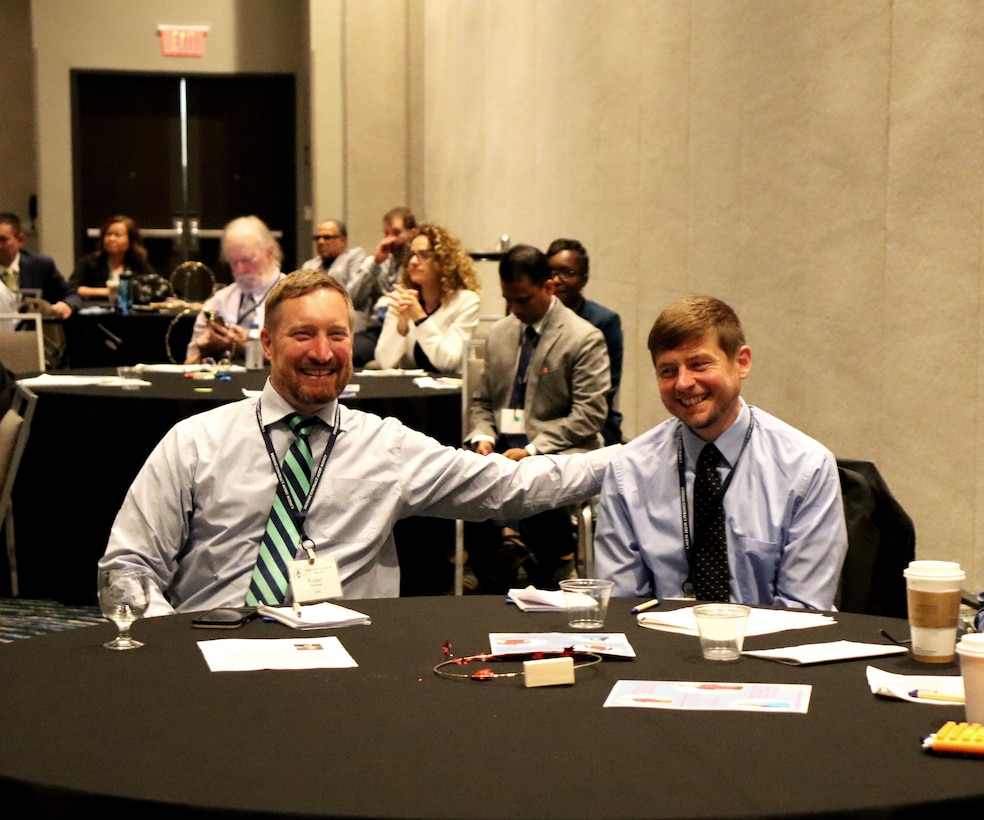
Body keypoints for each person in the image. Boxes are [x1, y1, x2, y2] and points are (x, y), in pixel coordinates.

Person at [98, 269, 615, 616]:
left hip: (342, 664)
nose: (323, 352)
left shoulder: (386, 447)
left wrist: (631, 458)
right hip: (212, 648)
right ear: (268, 343)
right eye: (303, 335)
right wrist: (169, 648)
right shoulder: (194, 442)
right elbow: (128, 565)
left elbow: (512, 485)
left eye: (337, 335)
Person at [594, 295, 848, 610]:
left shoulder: (807, 468)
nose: (684, 383)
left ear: (741, 362)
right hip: (660, 649)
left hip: (771, 652)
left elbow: (804, 610)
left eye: (699, 364)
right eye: (668, 371)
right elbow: (622, 606)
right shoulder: (628, 470)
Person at [465, 244, 610, 591]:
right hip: (500, 446)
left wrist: (532, 450)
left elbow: (589, 415)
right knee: (463, 469)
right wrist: (482, 436)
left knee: (530, 474)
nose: (514, 309)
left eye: (523, 299)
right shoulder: (500, 333)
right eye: (508, 300)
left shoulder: (584, 339)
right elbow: (483, 400)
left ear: (549, 287)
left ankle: (516, 550)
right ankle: (514, 548)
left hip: (555, 448)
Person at [373, 223, 481, 373]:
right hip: (411, 391)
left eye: (423, 255)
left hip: (452, 391)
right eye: (411, 255)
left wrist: (420, 318)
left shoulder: (465, 302)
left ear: (443, 261)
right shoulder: (403, 298)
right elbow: (384, 362)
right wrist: (401, 327)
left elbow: (447, 362)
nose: (413, 262)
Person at [547, 238, 624, 445]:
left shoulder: (604, 322)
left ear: (584, 279)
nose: (556, 280)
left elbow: (604, 390)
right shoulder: (537, 318)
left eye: (567, 272)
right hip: (543, 419)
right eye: (551, 272)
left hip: (593, 420)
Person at [185, 215, 285, 364]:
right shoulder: (218, 302)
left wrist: (246, 348)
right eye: (233, 262)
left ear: (270, 253)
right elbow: (188, 366)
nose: (240, 270)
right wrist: (205, 352)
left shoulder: (293, 297)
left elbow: (299, 362)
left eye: (247, 260)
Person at [300, 219, 375, 362]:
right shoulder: (310, 265)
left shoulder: (354, 257)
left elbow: (353, 298)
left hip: (350, 323)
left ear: (343, 240)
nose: (321, 242)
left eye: (327, 237)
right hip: (314, 323)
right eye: (317, 238)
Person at [352, 206, 418, 365]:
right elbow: (352, 298)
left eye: (396, 233)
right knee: (347, 349)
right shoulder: (377, 261)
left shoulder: (418, 265)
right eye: (386, 234)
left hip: (406, 328)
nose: (389, 240)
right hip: (377, 328)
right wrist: (375, 264)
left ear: (413, 233)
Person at [0, 212, 80, 319]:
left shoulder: (41, 265)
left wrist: (67, 305)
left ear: (20, 240)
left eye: (3, 240)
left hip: (35, 331)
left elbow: (72, 296)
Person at [69, 215, 156, 301]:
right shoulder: (89, 262)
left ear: (131, 240)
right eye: (108, 234)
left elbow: (155, 286)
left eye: (118, 235)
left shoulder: (138, 263)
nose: (111, 239)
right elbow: (72, 288)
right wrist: (107, 292)